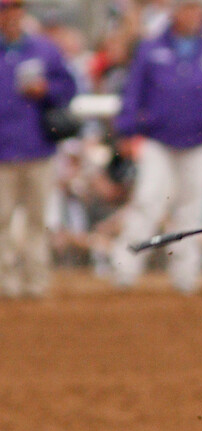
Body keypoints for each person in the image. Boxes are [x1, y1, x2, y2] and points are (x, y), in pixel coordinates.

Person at [110, 0, 202, 293]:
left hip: (201, 142)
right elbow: (133, 91)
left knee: (192, 208)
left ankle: (186, 276)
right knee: (147, 200)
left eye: (197, 8)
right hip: (158, 140)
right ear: (175, 12)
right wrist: (126, 128)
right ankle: (126, 268)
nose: (194, 14)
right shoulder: (151, 47)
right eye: (187, 8)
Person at [0, 0, 77, 298]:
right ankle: (5, 283)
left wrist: (47, 90)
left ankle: (35, 281)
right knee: (2, 220)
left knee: (38, 220)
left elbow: (69, 88)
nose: (11, 15)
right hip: (3, 152)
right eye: (6, 9)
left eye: (15, 8)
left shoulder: (44, 49)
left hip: (38, 148)